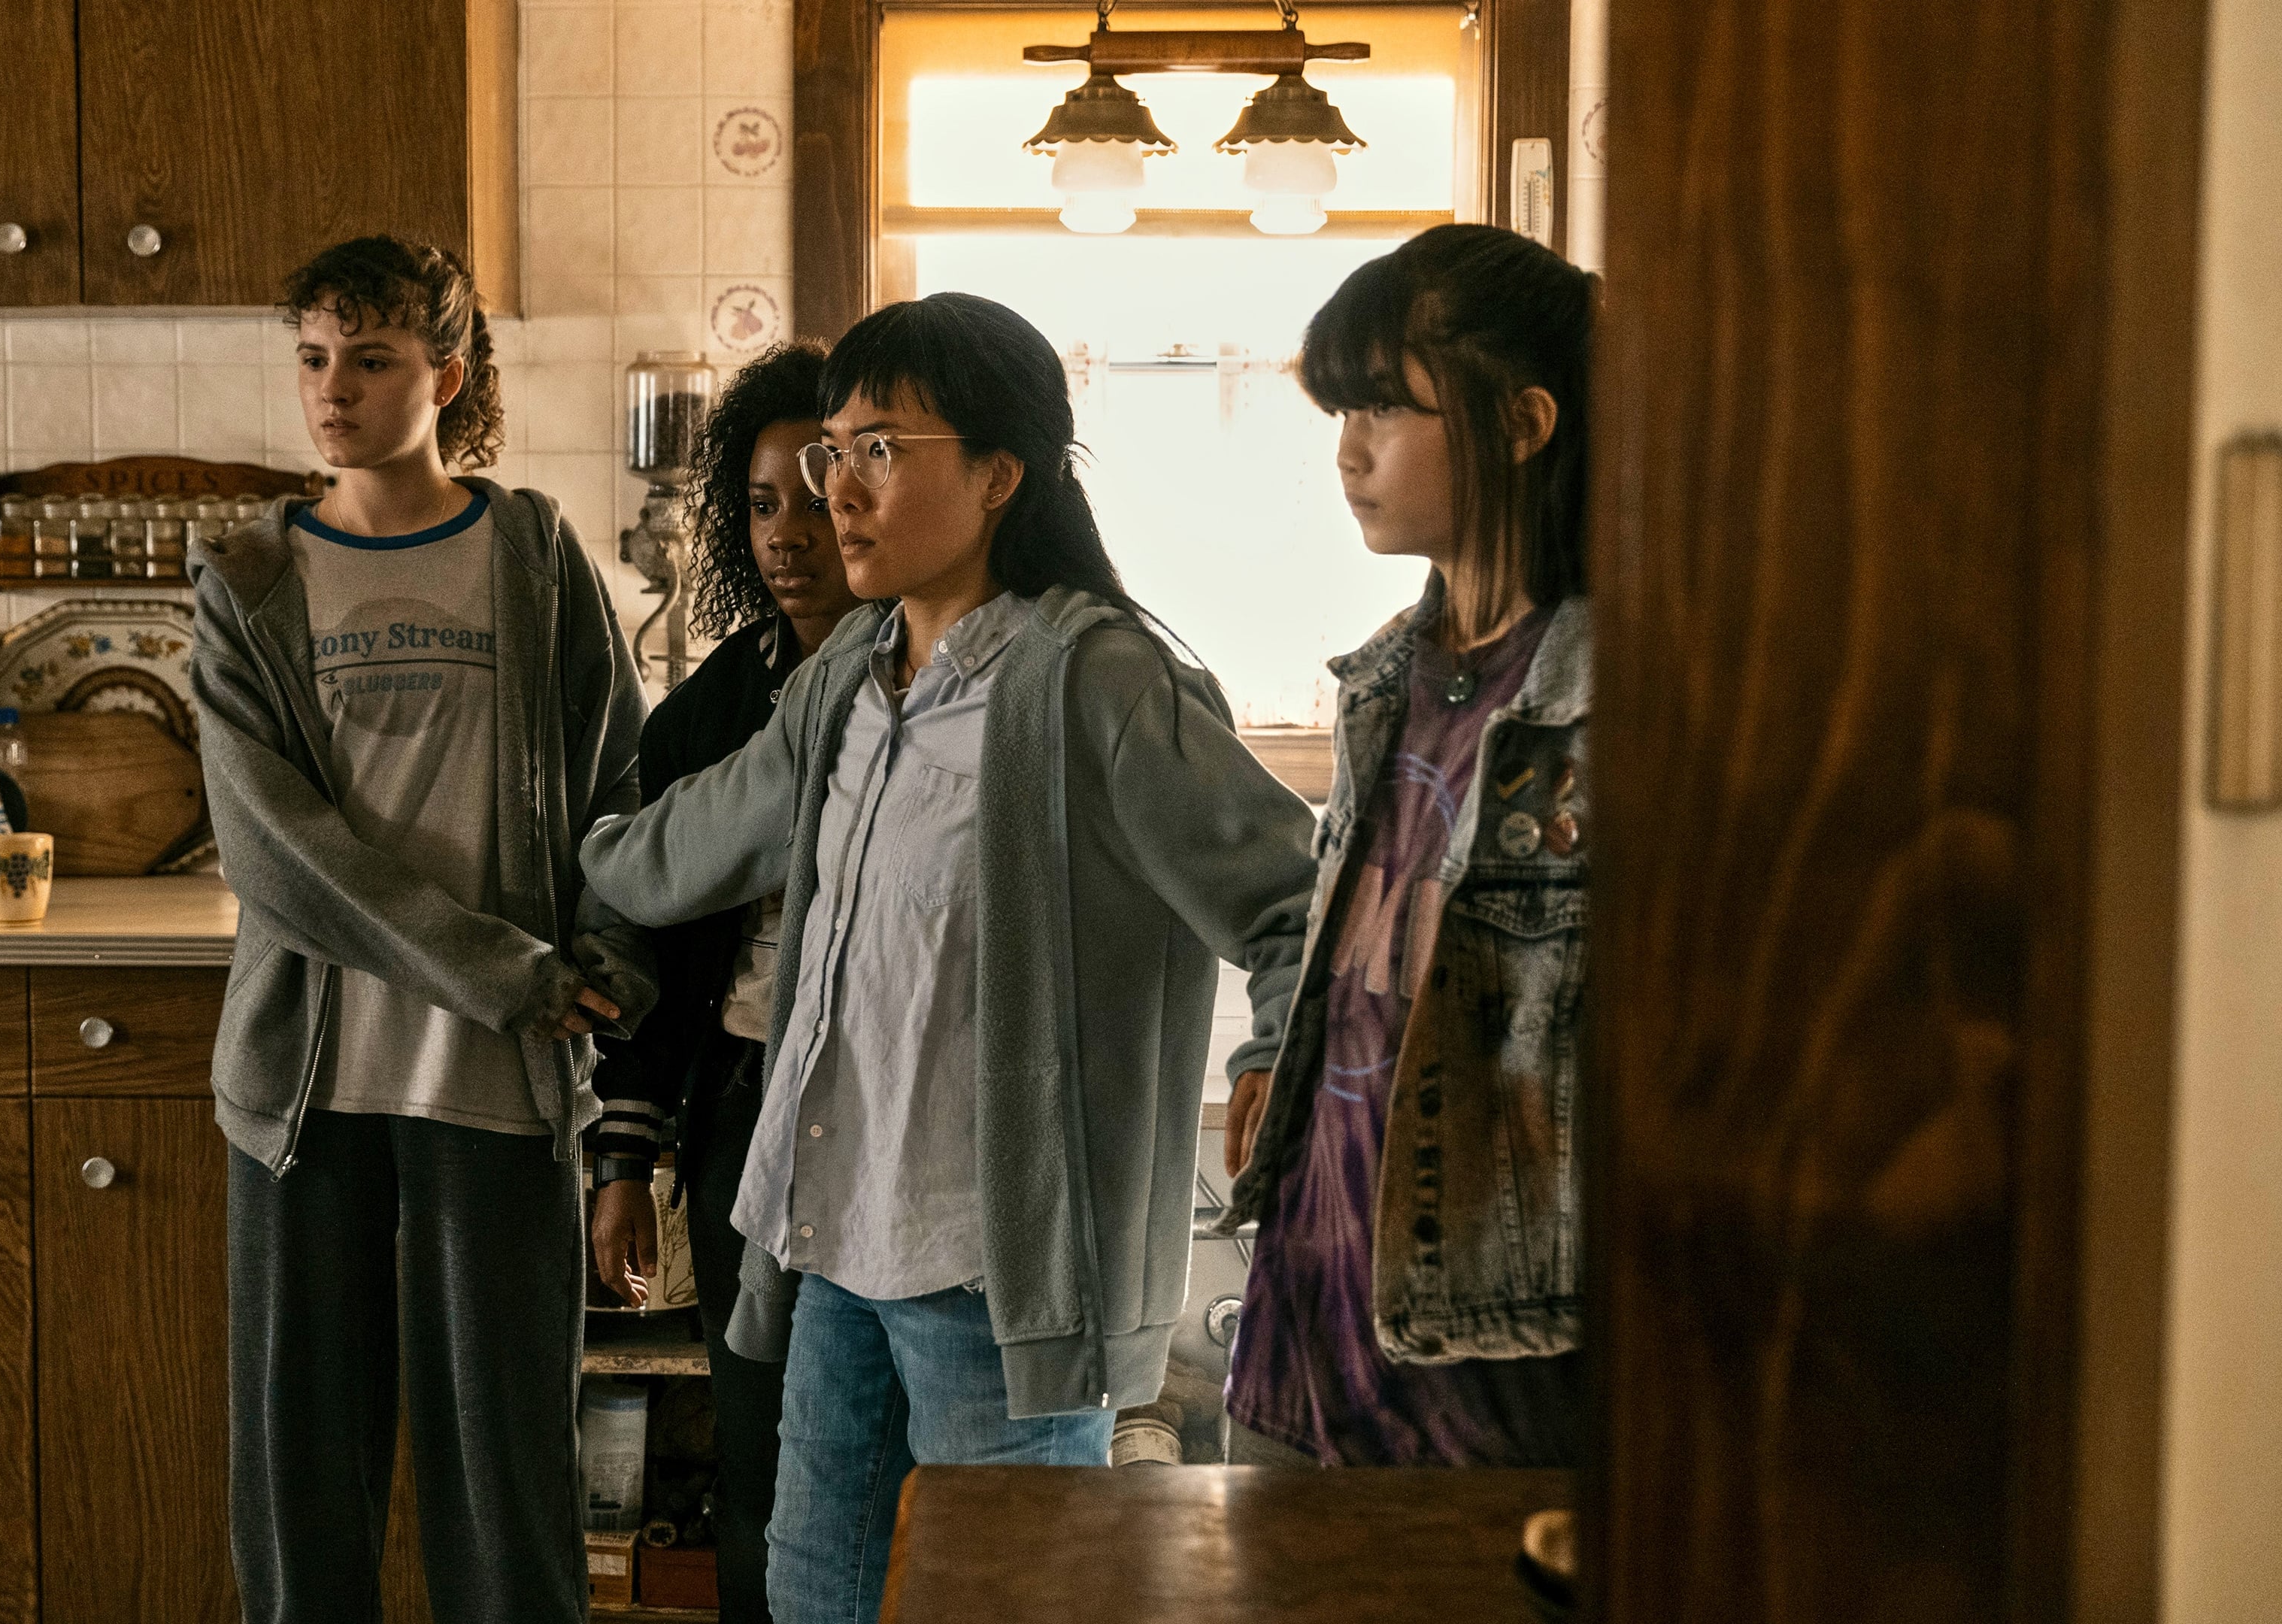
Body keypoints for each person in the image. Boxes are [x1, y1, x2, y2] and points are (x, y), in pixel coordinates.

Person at [576, 292, 1320, 1624]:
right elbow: (690, 843)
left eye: (883, 450)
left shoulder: (1098, 681)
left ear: (997, 475)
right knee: (814, 1595)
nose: (839, 491)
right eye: (834, 451)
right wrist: (548, 872)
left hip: (991, 1273)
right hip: (832, 1242)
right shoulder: (849, 677)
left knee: (1002, 1600)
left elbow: (1294, 903)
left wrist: (1275, 1056)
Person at [190, 234, 653, 1623]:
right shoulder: (252, 578)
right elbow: (273, 849)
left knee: (507, 1485)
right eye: (314, 358)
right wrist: (501, 971)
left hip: (498, 1083)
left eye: (372, 359)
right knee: (302, 1488)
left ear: (445, 377)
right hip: (307, 1093)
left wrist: (609, 956)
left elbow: (617, 783)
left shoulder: (531, 554)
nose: (332, 391)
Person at [1215, 223, 1599, 1468]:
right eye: (1343, 409)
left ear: (1524, 423)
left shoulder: (1605, 700)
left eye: (1385, 406)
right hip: (1307, 1315)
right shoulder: (1388, 674)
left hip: (1485, 1365)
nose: (1350, 450)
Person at [584, 342, 865, 1624]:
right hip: (746, 1104)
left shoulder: (942, 685)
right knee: (762, 1451)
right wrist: (624, 1160)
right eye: (758, 505)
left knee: (895, 1460)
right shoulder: (707, 712)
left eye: (816, 498)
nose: (788, 535)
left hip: (891, 1101)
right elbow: (647, 944)